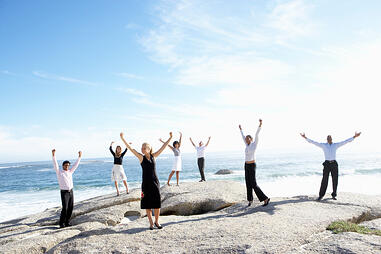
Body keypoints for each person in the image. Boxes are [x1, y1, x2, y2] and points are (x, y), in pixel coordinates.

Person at [120, 132, 172, 230]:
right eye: (142, 148)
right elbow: (131, 149)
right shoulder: (141, 157)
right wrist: (123, 139)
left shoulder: (154, 156)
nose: (142, 149)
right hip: (146, 184)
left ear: (149, 149)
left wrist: (170, 138)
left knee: (157, 204)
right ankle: (151, 223)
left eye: (144, 148)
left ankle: (157, 222)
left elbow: (163, 147)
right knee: (148, 205)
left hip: (155, 182)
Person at [300, 131, 361, 200]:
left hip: (334, 164)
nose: (329, 139)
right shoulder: (323, 145)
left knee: (335, 179)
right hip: (326, 164)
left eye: (330, 138)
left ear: (332, 139)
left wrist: (354, 137)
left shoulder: (335, 145)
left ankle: (334, 195)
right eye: (328, 138)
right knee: (324, 180)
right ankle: (321, 195)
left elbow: (345, 141)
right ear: (326, 139)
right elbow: (313, 142)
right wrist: (305, 137)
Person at [239, 119, 270, 207]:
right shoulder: (247, 145)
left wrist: (260, 124)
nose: (246, 139)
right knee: (248, 183)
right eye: (246, 139)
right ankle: (250, 200)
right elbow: (242, 137)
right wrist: (241, 130)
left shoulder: (254, 144)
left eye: (248, 138)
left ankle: (265, 198)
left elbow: (257, 134)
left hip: (252, 165)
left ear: (251, 139)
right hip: (246, 165)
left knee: (253, 184)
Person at [52, 149, 82, 228]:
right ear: (63, 166)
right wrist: (53, 155)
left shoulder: (70, 172)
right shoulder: (59, 172)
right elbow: (55, 165)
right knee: (65, 208)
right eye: (65, 165)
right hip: (64, 192)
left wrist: (79, 157)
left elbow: (75, 165)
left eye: (68, 165)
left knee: (70, 208)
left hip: (71, 192)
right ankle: (61, 223)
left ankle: (67, 222)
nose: (67, 166)